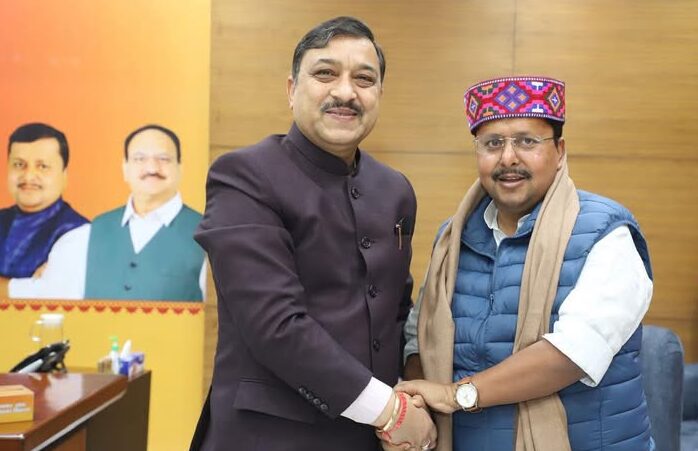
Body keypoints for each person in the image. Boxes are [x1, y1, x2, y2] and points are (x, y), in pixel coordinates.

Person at [189, 16, 436, 451]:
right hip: (267, 437)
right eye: (325, 73)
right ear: (291, 89)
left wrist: (410, 394)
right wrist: (390, 411)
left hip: (370, 438)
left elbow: (394, 307)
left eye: (364, 79)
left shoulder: (394, 189)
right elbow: (275, 324)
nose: (346, 92)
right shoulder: (244, 177)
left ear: (379, 94)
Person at [396, 76, 654, 451]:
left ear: (559, 151)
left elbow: (575, 352)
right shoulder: (452, 239)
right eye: (492, 144)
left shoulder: (606, 234)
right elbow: (418, 338)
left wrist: (454, 396)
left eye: (527, 141)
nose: (508, 158)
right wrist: (418, 404)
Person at [4, 124, 206, 301]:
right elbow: (41, 294)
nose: (152, 168)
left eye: (164, 159)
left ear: (180, 168)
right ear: (125, 168)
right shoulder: (86, 235)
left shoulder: (208, 235)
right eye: (139, 159)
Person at [0, 123, 88, 278]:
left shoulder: (79, 233)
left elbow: (47, 291)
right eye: (19, 165)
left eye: (42, 166)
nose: (28, 176)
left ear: (64, 175)